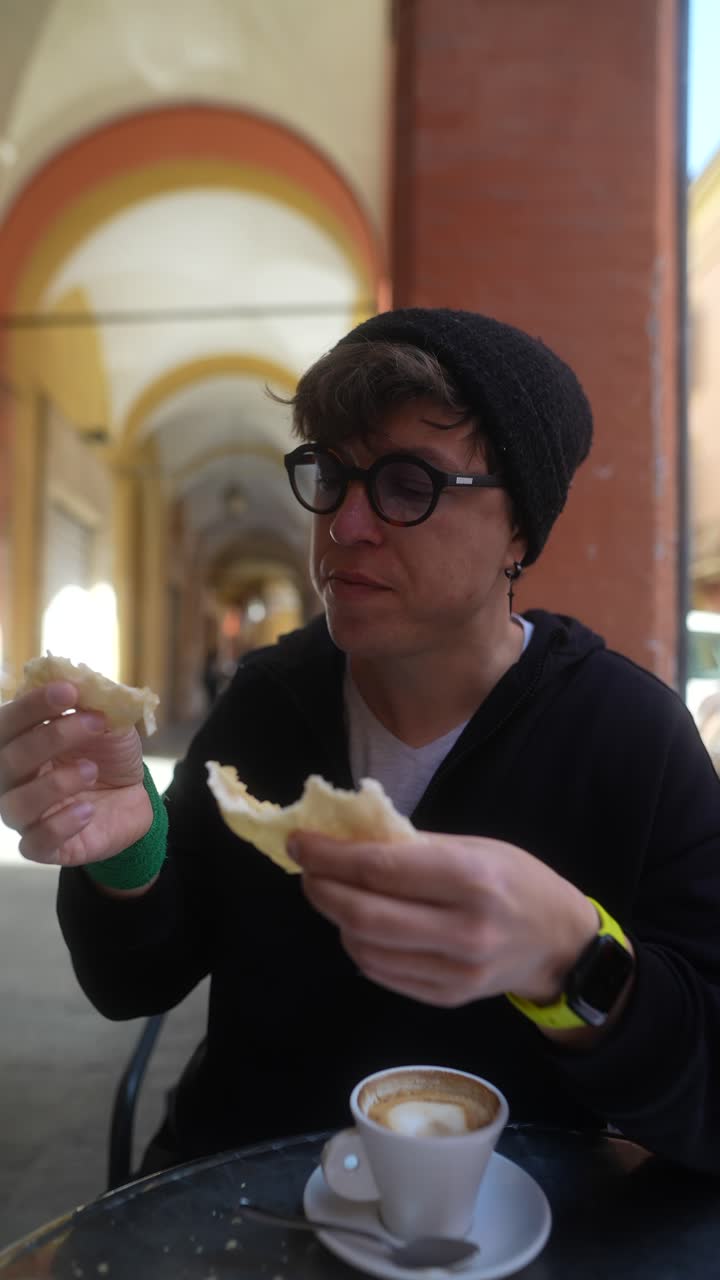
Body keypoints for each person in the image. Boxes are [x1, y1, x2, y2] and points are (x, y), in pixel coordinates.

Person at [2, 308, 720, 1178]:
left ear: (521, 531)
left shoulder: (630, 739)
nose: (344, 526)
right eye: (332, 476)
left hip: (519, 1219)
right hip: (245, 1190)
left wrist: (575, 962)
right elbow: (133, 983)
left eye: (409, 486)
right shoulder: (268, 703)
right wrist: (123, 846)